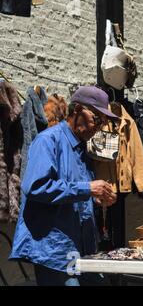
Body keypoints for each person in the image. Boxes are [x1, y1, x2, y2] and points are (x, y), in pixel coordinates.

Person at [10, 86, 118, 286]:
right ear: (77, 110)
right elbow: (35, 187)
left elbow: (73, 191)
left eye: (103, 121)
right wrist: (87, 189)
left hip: (81, 249)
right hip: (55, 251)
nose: (98, 126)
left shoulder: (82, 150)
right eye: (96, 117)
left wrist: (97, 197)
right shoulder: (48, 140)